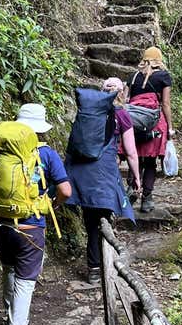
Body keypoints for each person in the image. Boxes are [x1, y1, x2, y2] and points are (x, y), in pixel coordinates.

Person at [0, 103, 71, 325]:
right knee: (26, 279)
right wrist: (53, 205)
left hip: (0, 221)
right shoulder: (46, 154)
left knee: (10, 269)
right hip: (30, 224)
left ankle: (10, 321)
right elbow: (66, 190)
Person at [64, 81, 140, 285]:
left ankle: (94, 266)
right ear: (121, 94)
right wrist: (137, 177)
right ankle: (99, 267)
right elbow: (131, 152)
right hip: (103, 174)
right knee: (102, 218)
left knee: (91, 220)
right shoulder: (122, 115)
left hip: (81, 173)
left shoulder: (88, 113)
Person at [125, 46, 175, 212]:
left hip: (132, 123)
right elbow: (166, 104)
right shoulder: (163, 76)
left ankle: (132, 187)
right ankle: (147, 198)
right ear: (158, 60)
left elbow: (125, 100)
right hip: (154, 123)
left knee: (135, 156)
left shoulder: (132, 77)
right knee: (151, 161)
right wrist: (170, 128)